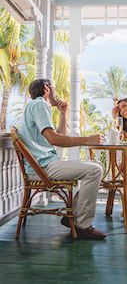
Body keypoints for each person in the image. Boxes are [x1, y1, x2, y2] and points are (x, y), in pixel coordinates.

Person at [18, 78, 107, 240]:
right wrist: (88, 139)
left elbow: (60, 136)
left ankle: (73, 215)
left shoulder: (35, 106)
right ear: (47, 88)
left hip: (43, 165)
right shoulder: (40, 104)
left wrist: (63, 113)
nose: (56, 93)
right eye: (54, 89)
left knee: (95, 165)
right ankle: (82, 225)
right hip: (43, 168)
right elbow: (55, 140)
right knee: (95, 170)